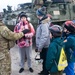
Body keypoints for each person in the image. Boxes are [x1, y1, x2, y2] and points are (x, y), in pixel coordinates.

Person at [36, 7, 50, 75]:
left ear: (38, 15)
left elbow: (44, 36)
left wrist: (40, 47)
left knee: (44, 59)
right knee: (43, 59)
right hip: (44, 45)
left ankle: (45, 72)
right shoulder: (43, 21)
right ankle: (44, 71)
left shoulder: (43, 23)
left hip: (44, 46)